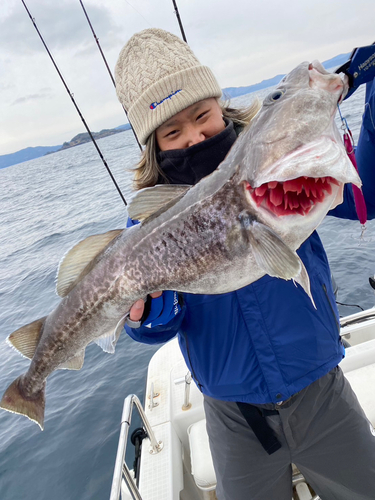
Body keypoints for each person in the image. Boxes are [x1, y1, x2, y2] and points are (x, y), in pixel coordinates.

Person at [115, 28, 375, 499]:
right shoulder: (146, 223)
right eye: (172, 132)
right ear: (154, 145)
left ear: (221, 105)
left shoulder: (283, 157)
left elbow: (366, 196)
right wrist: (151, 315)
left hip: (322, 391)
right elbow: (149, 325)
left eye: (202, 116)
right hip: (236, 419)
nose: (194, 137)